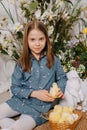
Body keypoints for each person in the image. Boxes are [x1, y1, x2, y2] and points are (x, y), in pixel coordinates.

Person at [0, 21, 67, 130]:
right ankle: (8, 124)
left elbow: (62, 78)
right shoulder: (21, 62)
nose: (37, 43)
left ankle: (10, 126)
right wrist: (34, 93)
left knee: (18, 128)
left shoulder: (54, 60)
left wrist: (60, 89)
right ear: (26, 40)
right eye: (32, 39)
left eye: (41, 39)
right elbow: (14, 88)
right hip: (19, 101)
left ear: (46, 39)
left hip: (39, 108)